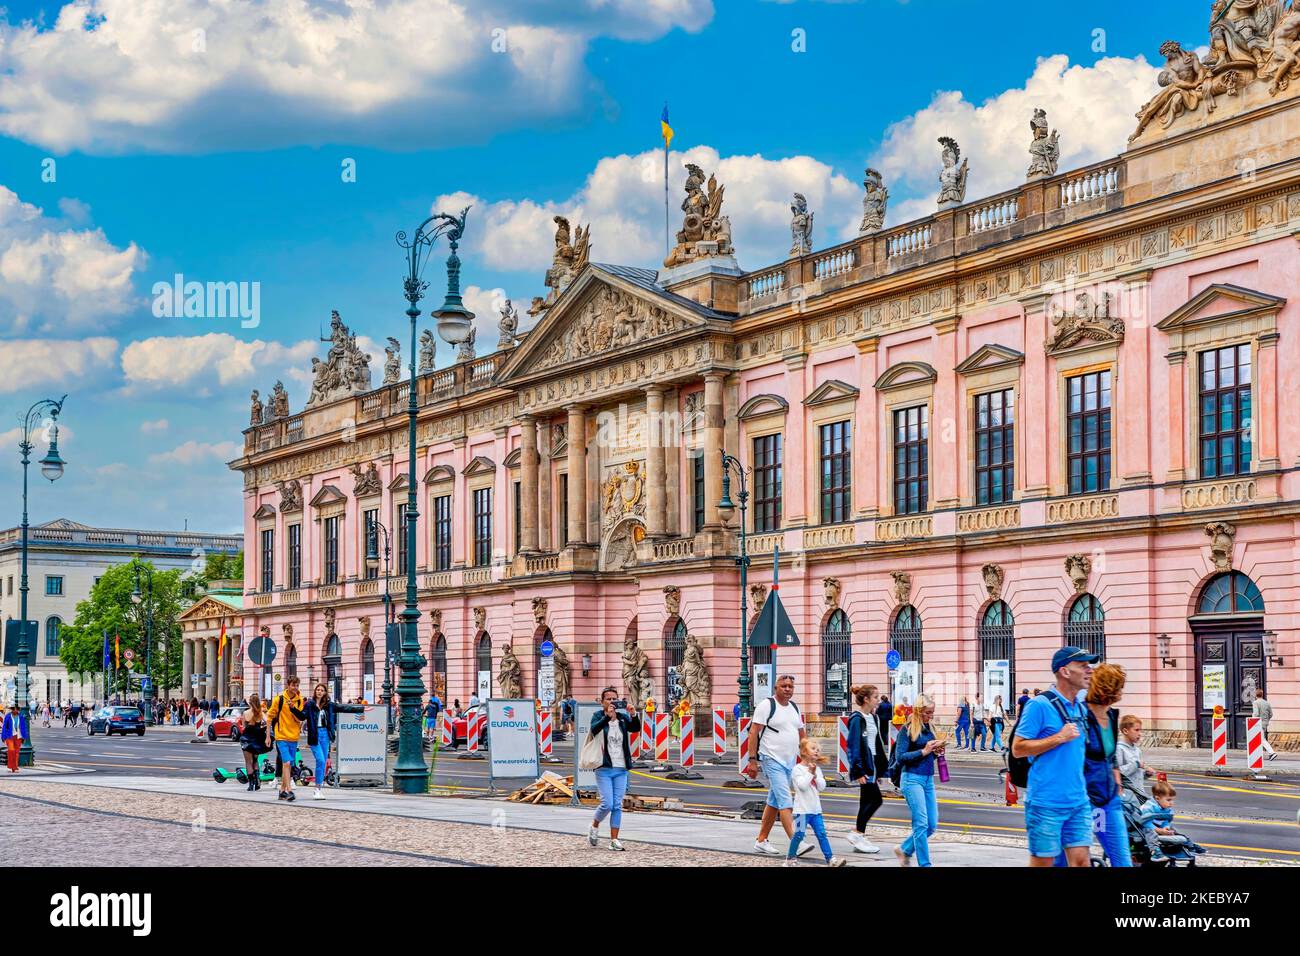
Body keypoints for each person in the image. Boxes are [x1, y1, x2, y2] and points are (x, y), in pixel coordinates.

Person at [1012, 646, 1098, 867]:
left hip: (1078, 801)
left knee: (1081, 862)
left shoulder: (1080, 707)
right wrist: (1058, 738)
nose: (1090, 670)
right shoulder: (1039, 705)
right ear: (1065, 671)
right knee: (1043, 862)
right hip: (1046, 802)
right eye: (1083, 665)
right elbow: (1018, 748)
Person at [1058, 663, 1130, 867]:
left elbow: (1110, 754)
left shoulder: (1112, 715)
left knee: (1122, 860)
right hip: (1082, 798)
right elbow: (1073, 756)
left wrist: (1117, 780)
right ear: (1108, 689)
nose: (1122, 692)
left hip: (1108, 799)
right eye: (1119, 687)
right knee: (1065, 859)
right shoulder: (1081, 716)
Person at [745, 675, 813, 857]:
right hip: (771, 758)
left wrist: (807, 757)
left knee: (774, 801)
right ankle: (796, 842)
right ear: (776, 687)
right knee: (785, 800)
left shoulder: (794, 707)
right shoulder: (767, 705)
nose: (787, 689)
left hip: (790, 761)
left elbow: (801, 733)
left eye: (791, 686)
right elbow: (753, 732)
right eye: (784, 686)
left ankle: (761, 840)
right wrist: (752, 760)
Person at [893, 693, 944, 867]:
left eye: (932, 713)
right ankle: (925, 864)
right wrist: (924, 751)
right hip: (912, 779)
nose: (931, 716)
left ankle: (905, 849)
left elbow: (928, 756)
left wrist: (936, 753)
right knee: (921, 824)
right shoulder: (907, 730)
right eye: (928, 713)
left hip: (928, 780)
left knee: (931, 824)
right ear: (918, 711)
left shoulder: (929, 729)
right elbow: (900, 757)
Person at [587, 686, 641, 851]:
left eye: (614, 699)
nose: (611, 702)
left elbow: (635, 728)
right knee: (607, 804)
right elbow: (594, 730)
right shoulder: (598, 716)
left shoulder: (622, 718)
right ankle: (594, 825)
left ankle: (614, 840)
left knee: (617, 805)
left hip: (621, 767)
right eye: (608, 699)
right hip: (604, 767)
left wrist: (633, 714)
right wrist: (606, 717)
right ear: (602, 702)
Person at [785, 738, 847, 867]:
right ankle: (790, 859)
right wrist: (810, 773)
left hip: (815, 810)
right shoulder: (797, 769)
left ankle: (830, 859)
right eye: (813, 749)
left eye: (818, 750)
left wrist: (815, 775)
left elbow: (821, 786)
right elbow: (802, 786)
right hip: (801, 811)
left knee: (822, 834)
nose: (816, 751)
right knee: (798, 835)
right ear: (803, 751)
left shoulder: (817, 769)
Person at [845, 683, 887, 854]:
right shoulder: (857, 719)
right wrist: (858, 770)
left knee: (865, 801)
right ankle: (857, 833)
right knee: (876, 799)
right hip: (864, 766)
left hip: (873, 764)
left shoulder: (874, 718)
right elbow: (853, 745)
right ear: (866, 699)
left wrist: (880, 770)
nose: (878, 700)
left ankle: (859, 836)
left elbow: (877, 744)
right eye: (876, 697)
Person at [305, 683, 363, 799]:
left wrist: (361, 709)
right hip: (314, 735)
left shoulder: (329, 705)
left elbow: (344, 708)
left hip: (325, 735)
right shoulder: (310, 704)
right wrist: (292, 709)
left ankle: (318, 789)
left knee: (323, 762)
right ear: (315, 691)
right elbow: (302, 715)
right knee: (320, 761)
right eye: (318, 690)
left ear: (325, 692)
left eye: (322, 690)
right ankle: (317, 789)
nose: (320, 692)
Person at [265, 676, 307, 802]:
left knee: (288, 765)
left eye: (297, 685)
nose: (295, 688)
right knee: (287, 763)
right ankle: (289, 791)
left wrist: (292, 709)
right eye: (293, 685)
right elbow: (269, 717)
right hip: (281, 736)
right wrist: (268, 736)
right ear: (288, 685)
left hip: (293, 737)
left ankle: (282, 791)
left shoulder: (299, 701)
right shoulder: (279, 699)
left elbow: (299, 719)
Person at [1116, 715, 1153, 798]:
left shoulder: (1137, 750)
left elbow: (1136, 776)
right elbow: (1118, 773)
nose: (1140, 734)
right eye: (1136, 730)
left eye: (1140, 730)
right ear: (1125, 731)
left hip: (1139, 794)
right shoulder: (1119, 749)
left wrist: (1146, 774)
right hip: (1127, 796)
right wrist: (1136, 764)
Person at [239, 695, 270, 791]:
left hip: (246, 739)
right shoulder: (260, 713)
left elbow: (243, 727)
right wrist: (266, 733)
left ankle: (251, 784)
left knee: (248, 762)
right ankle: (257, 782)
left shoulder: (245, 713)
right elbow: (268, 721)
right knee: (255, 761)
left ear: (250, 703)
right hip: (257, 739)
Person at [3, 704, 28, 772]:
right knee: (11, 750)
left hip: (18, 736)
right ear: (12, 709)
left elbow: (23, 727)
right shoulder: (8, 716)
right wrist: (3, 736)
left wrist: (25, 737)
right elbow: (4, 727)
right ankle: (11, 766)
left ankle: (15, 767)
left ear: (18, 710)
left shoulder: (21, 717)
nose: (15, 710)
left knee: (16, 752)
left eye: (17, 709)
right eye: (14, 709)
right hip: (9, 736)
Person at [1253, 689, 1276, 760]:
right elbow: (1271, 714)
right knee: (1258, 739)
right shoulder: (1267, 703)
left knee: (1261, 739)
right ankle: (1256, 755)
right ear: (1262, 695)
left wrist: (1252, 720)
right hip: (1265, 723)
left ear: (1255, 695)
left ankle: (1272, 753)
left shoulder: (1256, 702)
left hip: (1258, 723)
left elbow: (1256, 714)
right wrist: (1266, 720)